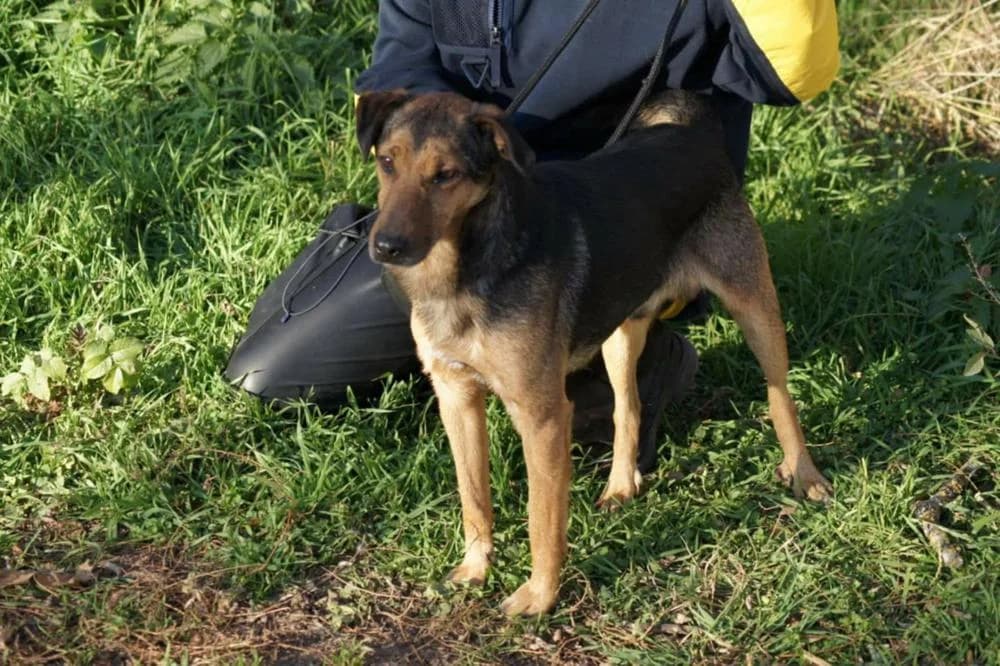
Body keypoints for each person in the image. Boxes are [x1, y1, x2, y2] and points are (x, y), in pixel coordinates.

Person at [223, 0, 839, 472]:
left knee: (535, 374)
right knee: (275, 368)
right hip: (462, 216)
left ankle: (635, 359)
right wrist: (447, 154)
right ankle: (491, 362)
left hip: (613, 233)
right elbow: (400, 60)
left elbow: (792, 69)